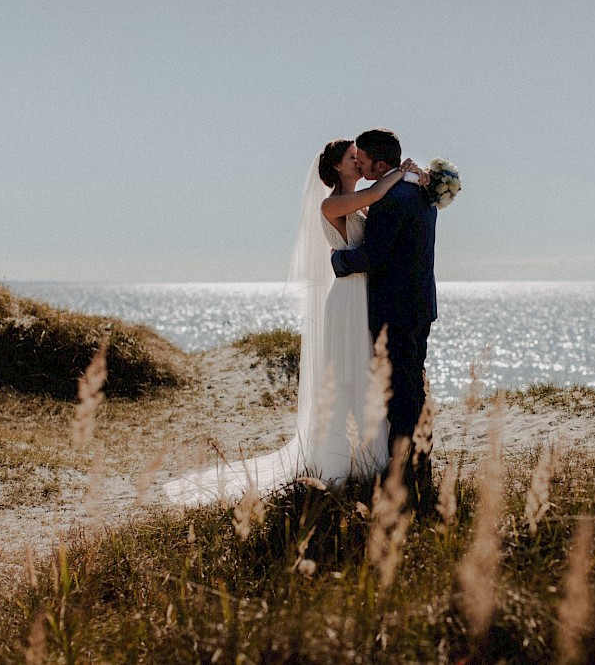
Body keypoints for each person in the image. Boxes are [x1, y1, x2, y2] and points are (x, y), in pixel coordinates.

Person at [163, 138, 421, 505]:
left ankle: (370, 456)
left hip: (362, 296)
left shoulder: (358, 200)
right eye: (352, 158)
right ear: (337, 167)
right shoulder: (333, 202)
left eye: (360, 157)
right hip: (347, 298)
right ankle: (343, 460)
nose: (359, 162)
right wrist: (401, 173)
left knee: (364, 371)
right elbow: (378, 193)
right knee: (346, 373)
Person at [331, 128, 438, 513]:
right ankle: (417, 467)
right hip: (419, 306)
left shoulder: (390, 200)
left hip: (395, 310)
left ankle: (406, 474)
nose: (358, 164)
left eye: (363, 160)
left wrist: (337, 261)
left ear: (380, 164)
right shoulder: (419, 190)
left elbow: (371, 256)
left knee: (401, 393)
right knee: (413, 387)